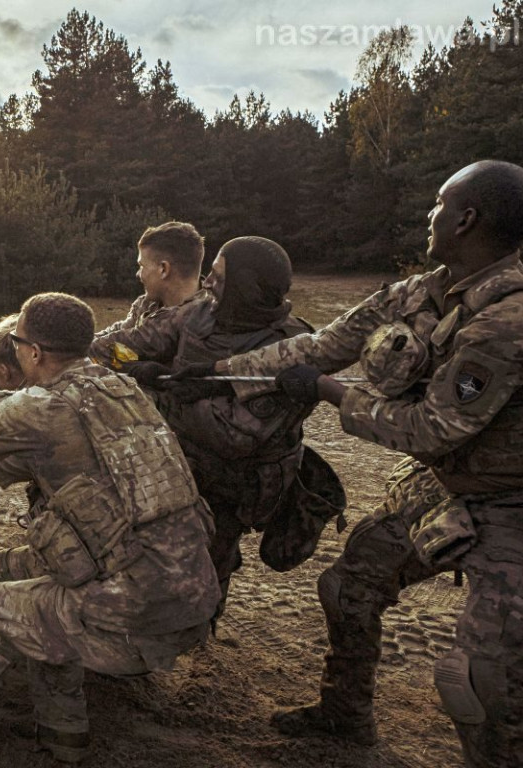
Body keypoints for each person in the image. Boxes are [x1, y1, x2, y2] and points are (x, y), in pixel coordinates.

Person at [175, 161, 523, 765]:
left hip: (510, 508)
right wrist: (204, 377)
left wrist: (332, 393)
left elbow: (433, 428)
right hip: (444, 490)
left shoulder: (505, 322)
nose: (429, 215)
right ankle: (344, 717)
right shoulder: (418, 292)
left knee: (483, 683)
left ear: (467, 219)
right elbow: (318, 347)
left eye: (440, 203)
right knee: (350, 589)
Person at [0, 292, 220, 762]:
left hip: (140, 607)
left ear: (32, 351)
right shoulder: (119, 388)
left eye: (17, 344)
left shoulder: (36, 405)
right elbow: (31, 452)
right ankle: (63, 732)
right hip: (191, 584)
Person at [93, 237, 346, 624]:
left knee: (209, 561)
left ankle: (202, 620)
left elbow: (233, 434)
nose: (206, 283)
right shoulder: (199, 315)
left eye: (218, 277)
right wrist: (78, 347)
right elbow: (130, 343)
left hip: (235, 482)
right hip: (180, 461)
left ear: (246, 288)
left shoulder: (292, 348)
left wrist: (156, 389)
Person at [91, 220, 205, 365]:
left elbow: (115, 346)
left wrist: (68, 350)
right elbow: (120, 331)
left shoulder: (201, 316)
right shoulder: (148, 303)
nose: (138, 274)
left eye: (141, 266)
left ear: (163, 269)